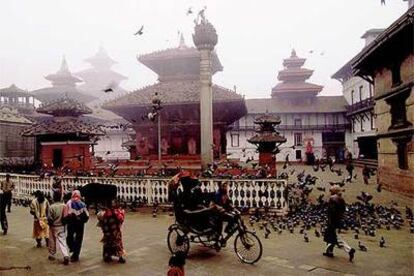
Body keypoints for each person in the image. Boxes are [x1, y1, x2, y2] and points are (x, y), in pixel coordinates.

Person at [323, 185, 355, 262]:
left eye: (331, 191)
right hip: (338, 220)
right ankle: (329, 251)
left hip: (333, 222)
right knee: (330, 236)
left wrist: (330, 221)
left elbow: (332, 212)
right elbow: (343, 210)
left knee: (336, 239)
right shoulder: (341, 199)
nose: (330, 193)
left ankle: (349, 250)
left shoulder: (332, 199)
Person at [66, 190, 89, 262]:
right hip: (80, 223)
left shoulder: (69, 203)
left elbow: (67, 214)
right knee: (79, 239)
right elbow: (87, 215)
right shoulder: (82, 204)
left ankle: (72, 248)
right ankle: (75, 255)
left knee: (70, 236)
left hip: (71, 223)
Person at [47, 191, 70, 265]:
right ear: (61, 197)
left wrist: (50, 224)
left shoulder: (51, 207)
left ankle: (52, 254)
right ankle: (65, 255)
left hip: (53, 226)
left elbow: (50, 218)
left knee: (52, 241)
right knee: (63, 241)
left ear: (53, 197)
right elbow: (66, 217)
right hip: (62, 226)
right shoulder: (64, 206)